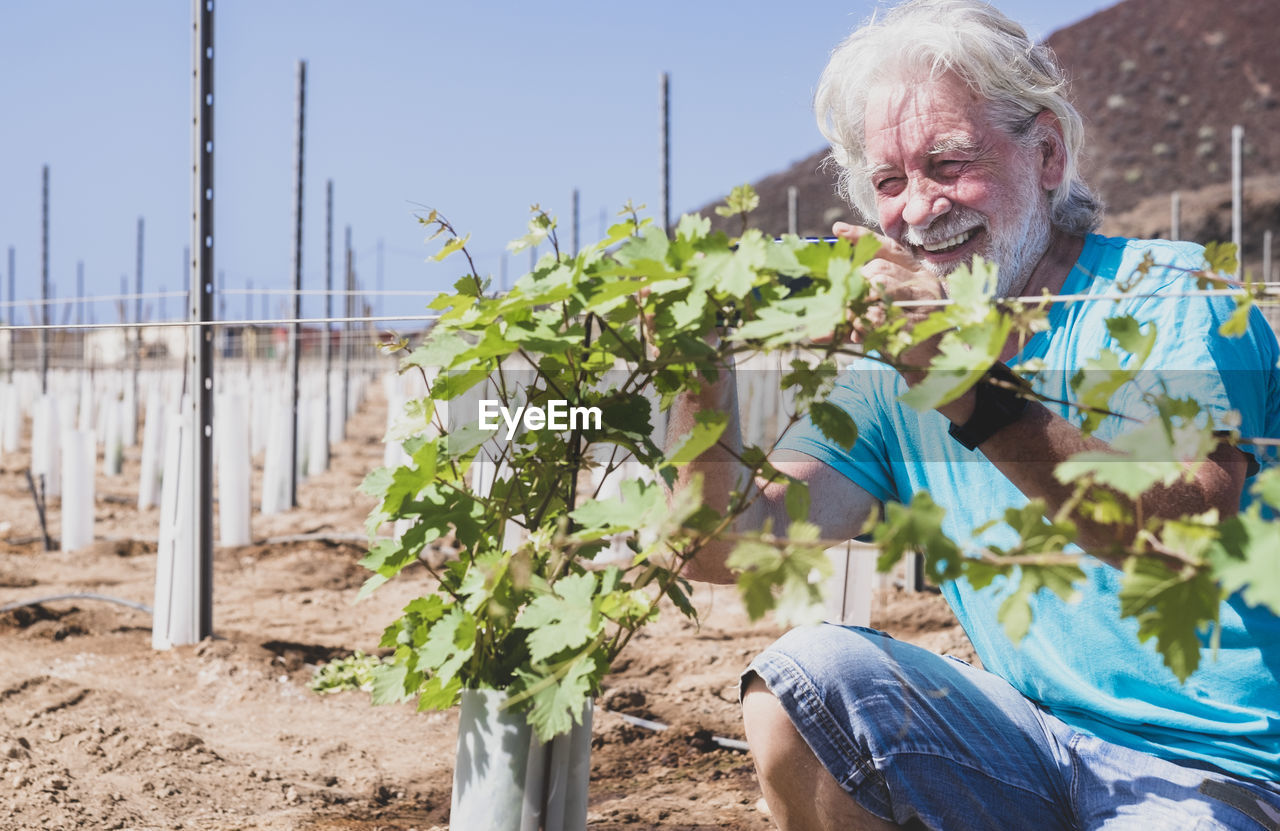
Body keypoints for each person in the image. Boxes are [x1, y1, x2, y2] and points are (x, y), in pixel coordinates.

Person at [667, 1, 1280, 828]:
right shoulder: (893, 372)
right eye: (889, 183)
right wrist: (694, 371)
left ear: (1050, 154)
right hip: (1031, 741)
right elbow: (725, 547)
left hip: (1218, 772)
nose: (920, 209)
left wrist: (960, 380)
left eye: (949, 165)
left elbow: (1186, 527)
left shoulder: (1169, 294)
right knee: (803, 683)